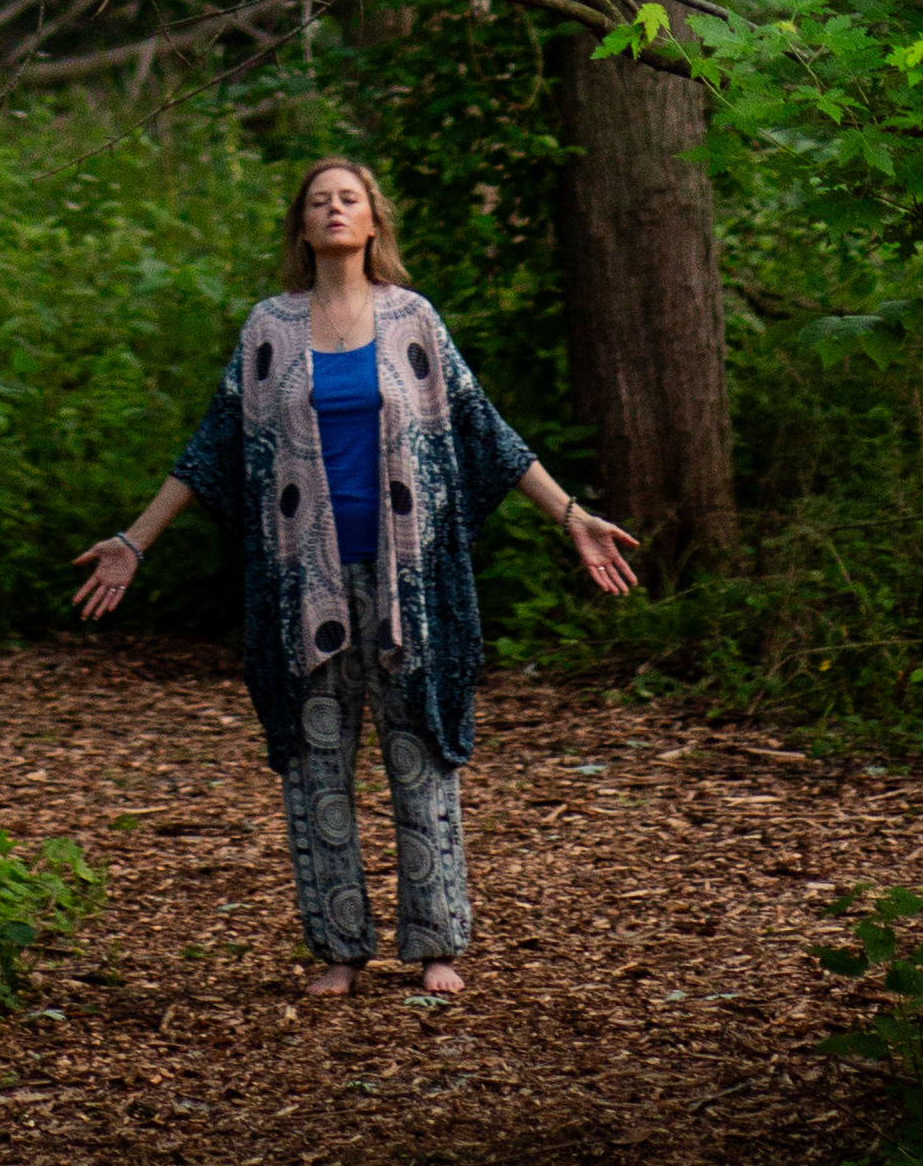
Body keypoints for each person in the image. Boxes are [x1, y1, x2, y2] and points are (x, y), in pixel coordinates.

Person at [71, 151, 638, 1000]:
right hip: (304, 583)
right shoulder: (270, 327)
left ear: (374, 222)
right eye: (318, 201)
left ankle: (436, 944)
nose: (334, 210)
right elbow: (214, 447)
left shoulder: (413, 319)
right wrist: (136, 540)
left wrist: (572, 517)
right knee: (317, 763)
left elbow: (485, 431)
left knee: (421, 758)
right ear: (301, 227)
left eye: (350, 199)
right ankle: (340, 948)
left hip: (412, 578)